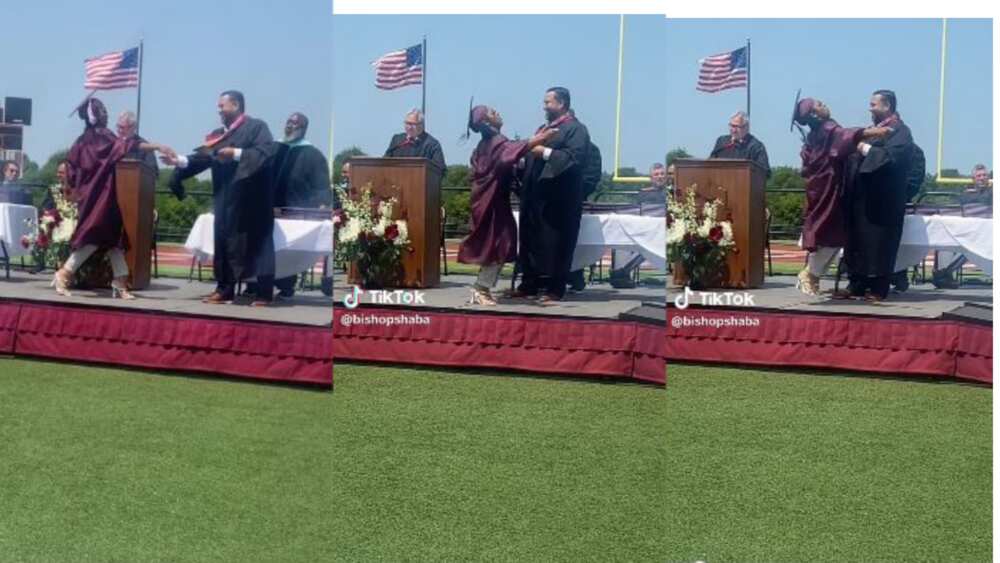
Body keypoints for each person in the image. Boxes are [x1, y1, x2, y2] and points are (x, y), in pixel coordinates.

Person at [161, 90, 276, 306]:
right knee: (224, 243)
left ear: (236, 105)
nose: (219, 110)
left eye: (222, 106)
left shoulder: (257, 127)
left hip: (252, 201)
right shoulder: (218, 134)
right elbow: (203, 159)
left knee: (258, 243)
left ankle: (263, 292)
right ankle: (224, 289)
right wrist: (178, 160)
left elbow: (266, 153)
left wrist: (237, 154)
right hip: (226, 199)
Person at [53, 97, 172, 299]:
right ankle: (64, 273)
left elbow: (70, 164)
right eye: (103, 111)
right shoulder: (103, 137)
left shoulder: (82, 139)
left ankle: (120, 281)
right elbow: (125, 145)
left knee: (112, 238)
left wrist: (71, 188)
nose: (106, 114)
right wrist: (158, 146)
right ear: (97, 115)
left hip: (95, 194)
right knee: (94, 236)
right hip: (101, 195)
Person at [458, 105, 556, 305]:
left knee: (497, 243)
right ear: (487, 122)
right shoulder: (496, 142)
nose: (498, 113)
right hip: (492, 201)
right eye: (493, 113)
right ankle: (481, 288)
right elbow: (506, 156)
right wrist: (536, 140)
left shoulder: (484, 144)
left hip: (489, 199)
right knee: (500, 242)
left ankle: (481, 287)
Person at [792, 97, 889, 296]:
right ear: (813, 114)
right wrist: (875, 132)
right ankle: (810, 274)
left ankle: (813, 276)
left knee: (830, 235)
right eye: (819, 104)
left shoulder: (815, 134)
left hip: (820, 187)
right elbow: (845, 136)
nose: (824, 104)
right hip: (829, 189)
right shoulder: (827, 129)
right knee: (831, 234)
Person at [512, 86, 591, 303]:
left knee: (557, 245)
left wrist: (544, 152)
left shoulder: (576, 129)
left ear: (561, 103)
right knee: (531, 242)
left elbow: (575, 160)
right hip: (535, 198)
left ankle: (555, 290)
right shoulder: (543, 129)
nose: (544, 106)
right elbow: (530, 157)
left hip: (559, 201)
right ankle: (529, 285)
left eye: (548, 102)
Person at [841, 89, 915, 301]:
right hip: (861, 200)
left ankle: (877, 288)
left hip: (884, 203)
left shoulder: (901, 132)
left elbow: (891, 159)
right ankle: (856, 284)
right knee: (858, 243)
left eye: (874, 104)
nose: (869, 108)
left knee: (880, 245)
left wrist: (863, 148)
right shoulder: (872, 131)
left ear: (887, 106)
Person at [269, 112, 332, 299]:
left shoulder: (313, 155)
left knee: (287, 251)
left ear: (303, 129)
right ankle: (254, 285)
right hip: (268, 208)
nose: (290, 126)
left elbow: (322, 186)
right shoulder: (273, 149)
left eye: (295, 124)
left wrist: (321, 204)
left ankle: (286, 287)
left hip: (295, 212)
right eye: (288, 122)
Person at [609, 162, 669, 289]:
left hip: (665, 232)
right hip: (646, 230)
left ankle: (622, 272)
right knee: (623, 237)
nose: (660, 177)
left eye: (662, 174)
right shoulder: (644, 194)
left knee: (650, 244)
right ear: (651, 178)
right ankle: (621, 272)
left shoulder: (672, 192)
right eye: (656, 174)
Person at [385, 109, 446, 183]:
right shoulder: (397, 140)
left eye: (413, 124)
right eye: (407, 123)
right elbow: (385, 162)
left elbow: (440, 170)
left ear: (421, 125)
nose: (409, 127)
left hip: (420, 187)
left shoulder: (432, 144)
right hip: (396, 185)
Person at [710, 111, 771, 178]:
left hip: (745, 186)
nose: (734, 130)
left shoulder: (756, 146)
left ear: (746, 127)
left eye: (737, 127)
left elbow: (764, 172)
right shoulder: (722, 141)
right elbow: (710, 164)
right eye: (732, 126)